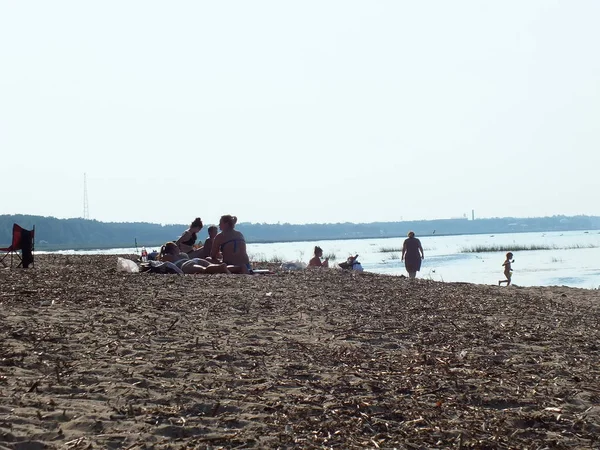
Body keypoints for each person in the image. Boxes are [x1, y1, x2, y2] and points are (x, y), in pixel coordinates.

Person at [159, 241, 230, 274]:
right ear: (173, 248)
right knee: (207, 266)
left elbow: (163, 263)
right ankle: (223, 268)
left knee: (204, 269)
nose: (179, 248)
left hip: (186, 265)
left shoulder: (171, 256)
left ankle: (221, 268)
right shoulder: (178, 255)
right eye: (176, 247)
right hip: (192, 261)